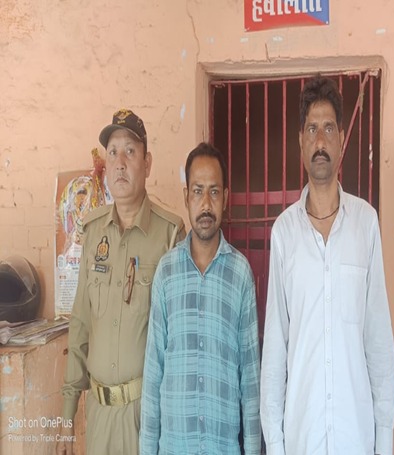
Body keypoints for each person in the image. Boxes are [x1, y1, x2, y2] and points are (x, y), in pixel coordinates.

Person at [260, 76, 394, 455]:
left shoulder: (365, 223)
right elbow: (275, 348)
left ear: (341, 140)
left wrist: (384, 440)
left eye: (329, 128)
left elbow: (378, 339)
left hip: (356, 437)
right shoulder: (284, 232)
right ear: (301, 142)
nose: (320, 140)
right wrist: (275, 443)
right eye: (311, 129)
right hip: (301, 437)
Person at [58, 109, 185, 455]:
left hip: (147, 416)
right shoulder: (92, 231)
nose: (120, 163)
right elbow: (80, 324)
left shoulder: (170, 234)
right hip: (99, 416)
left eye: (130, 151)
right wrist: (68, 415)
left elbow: (178, 341)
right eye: (112, 152)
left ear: (147, 163)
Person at [140, 143, 261, 454]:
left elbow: (250, 378)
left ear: (226, 198)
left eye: (214, 192)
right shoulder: (167, 272)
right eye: (197, 191)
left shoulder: (240, 273)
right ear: (186, 197)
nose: (206, 204)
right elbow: (153, 374)